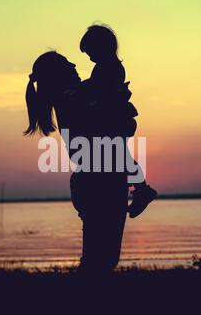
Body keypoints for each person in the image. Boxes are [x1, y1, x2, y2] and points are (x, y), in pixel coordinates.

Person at [24, 51, 135, 272]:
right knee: (101, 260)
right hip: (100, 182)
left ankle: (83, 299)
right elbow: (113, 130)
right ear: (58, 75)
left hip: (95, 180)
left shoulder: (73, 96)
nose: (75, 65)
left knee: (99, 258)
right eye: (68, 65)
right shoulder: (72, 98)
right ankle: (83, 301)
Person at [79, 24, 157, 218]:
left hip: (113, 120)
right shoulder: (107, 66)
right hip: (113, 119)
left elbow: (100, 90)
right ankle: (141, 188)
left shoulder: (110, 67)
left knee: (121, 156)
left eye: (91, 52)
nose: (89, 57)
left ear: (102, 47)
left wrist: (80, 91)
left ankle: (142, 189)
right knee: (122, 155)